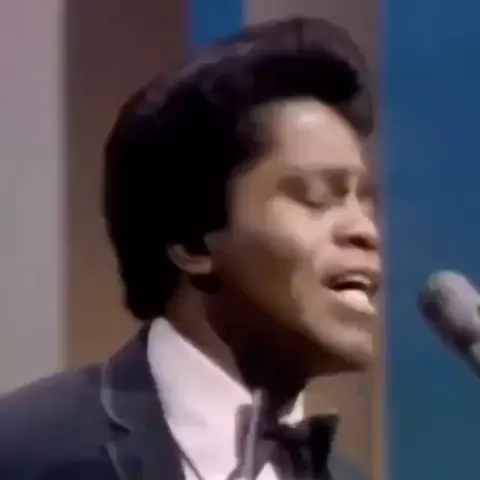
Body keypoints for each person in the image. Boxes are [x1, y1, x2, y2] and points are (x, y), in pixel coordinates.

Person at [0, 17, 380, 480]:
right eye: (317, 197)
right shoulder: (24, 451)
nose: (365, 231)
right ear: (193, 239)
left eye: (365, 203)